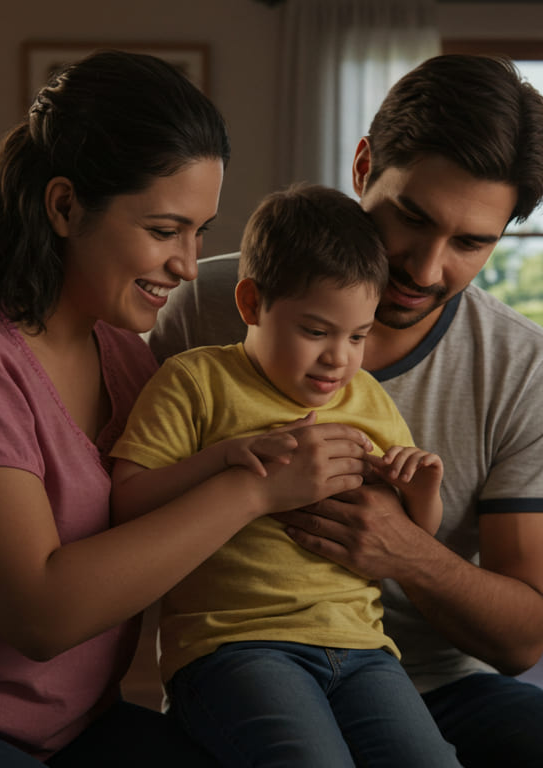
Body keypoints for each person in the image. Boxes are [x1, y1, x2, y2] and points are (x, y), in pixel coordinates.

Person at [0, 51, 374, 768]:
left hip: (73, 731)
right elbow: (40, 614)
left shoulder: (122, 353)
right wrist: (254, 489)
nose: (186, 263)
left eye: (199, 232)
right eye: (164, 229)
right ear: (64, 206)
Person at [149, 54, 543, 768]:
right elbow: (123, 501)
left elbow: (522, 637)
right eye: (411, 217)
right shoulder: (207, 302)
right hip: (246, 665)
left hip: (429, 683)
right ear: (363, 167)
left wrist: (403, 549)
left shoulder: (527, 368)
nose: (425, 267)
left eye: (472, 243)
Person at [110, 183, 459, 767]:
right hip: (235, 646)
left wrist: (421, 493)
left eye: (358, 336)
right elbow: (126, 503)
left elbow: (412, 539)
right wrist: (227, 458)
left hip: (364, 648)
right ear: (252, 304)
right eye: (316, 331)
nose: (338, 359)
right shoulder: (194, 381)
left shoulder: (367, 399)